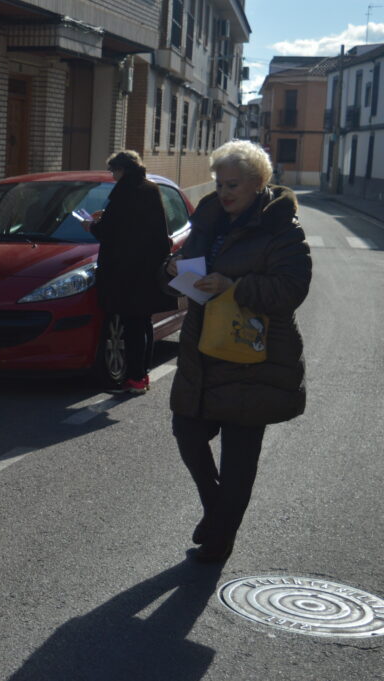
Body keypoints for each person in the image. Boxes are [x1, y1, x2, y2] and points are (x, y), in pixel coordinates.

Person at [161, 140, 312, 563]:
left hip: (254, 356)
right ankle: (217, 513)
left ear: (258, 183)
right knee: (187, 432)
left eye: (234, 185)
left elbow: (291, 288)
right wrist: (171, 271)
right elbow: (184, 268)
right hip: (202, 350)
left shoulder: (281, 226)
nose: (224, 192)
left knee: (239, 457)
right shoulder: (208, 217)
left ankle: (220, 539)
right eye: (220, 183)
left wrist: (234, 287)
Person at [85, 150, 176, 394]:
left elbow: (112, 233)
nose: (113, 175)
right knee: (143, 324)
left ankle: (134, 378)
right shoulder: (150, 188)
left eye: (113, 170)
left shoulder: (126, 192)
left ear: (122, 169)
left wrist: (92, 225)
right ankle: (141, 377)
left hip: (126, 273)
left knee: (132, 326)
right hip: (147, 270)